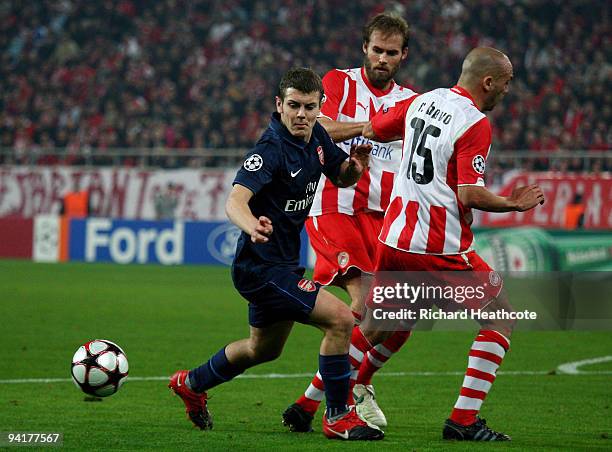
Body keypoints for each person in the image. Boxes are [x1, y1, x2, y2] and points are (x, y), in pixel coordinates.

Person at [169, 67, 383, 441]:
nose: (301, 114)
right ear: (279, 105)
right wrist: (250, 225)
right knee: (341, 320)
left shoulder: (316, 135)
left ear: (319, 108)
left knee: (261, 350)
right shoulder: (270, 150)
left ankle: (191, 383)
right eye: (294, 106)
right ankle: (338, 417)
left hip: (282, 264)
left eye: (309, 107)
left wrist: (356, 167)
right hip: (261, 268)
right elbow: (235, 200)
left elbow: (341, 176)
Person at [362, 47, 545, 441]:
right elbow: (469, 194)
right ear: (488, 82)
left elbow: (375, 129)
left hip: (393, 237)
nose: (508, 91)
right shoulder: (474, 122)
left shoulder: (422, 100)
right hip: (438, 246)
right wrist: (514, 202)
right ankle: (462, 421)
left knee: (382, 325)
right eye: (507, 83)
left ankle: (318, 400)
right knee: (500, 318)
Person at [283, 12, 417, 432]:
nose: (382, 58)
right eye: (376, 49)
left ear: (403, 55)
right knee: (367, 303)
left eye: (391, 53)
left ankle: (316, 401)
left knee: (402, 317)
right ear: (365, 48)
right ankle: (339, 407)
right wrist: (374, 128)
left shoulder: (412, 103)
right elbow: (319, 127)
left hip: (384, 219)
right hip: (335, 205)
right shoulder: (339, 83)